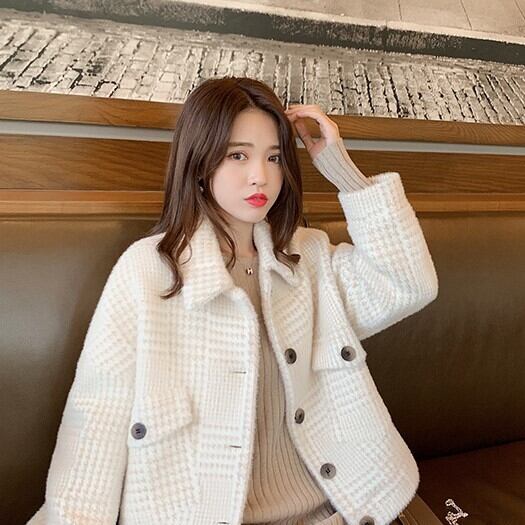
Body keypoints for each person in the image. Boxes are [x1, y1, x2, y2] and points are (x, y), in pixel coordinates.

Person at [27, 76, 439, 525]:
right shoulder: (150, 271)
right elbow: (95, 422)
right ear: (200, 162)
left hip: (347, 508)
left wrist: (344, 173)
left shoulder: (308, 258)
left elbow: (409, 284)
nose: (260, 175)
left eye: (274, 157)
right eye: (238, 155)